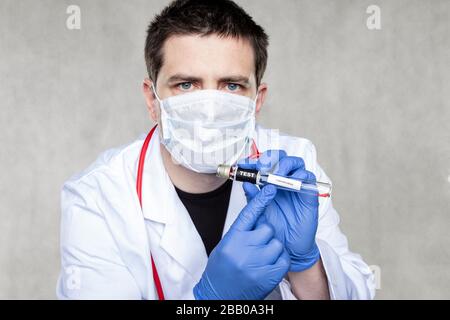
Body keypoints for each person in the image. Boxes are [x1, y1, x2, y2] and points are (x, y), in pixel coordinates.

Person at [57, 0, 375, 300]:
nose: (209, 111)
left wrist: (305, 264)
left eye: (231, 85)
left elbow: (357, 289)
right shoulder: (96, 196)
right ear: (152, 99)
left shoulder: (293, 164)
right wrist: (208, 298)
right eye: (186, 84)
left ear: (257, 100)